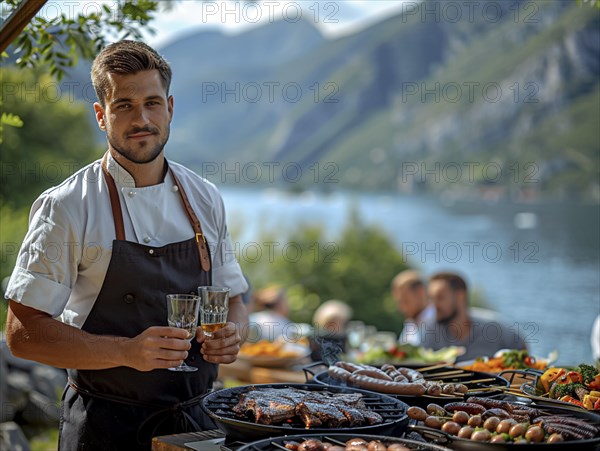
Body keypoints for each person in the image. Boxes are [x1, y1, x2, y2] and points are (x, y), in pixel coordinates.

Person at [4, 40, 249, 450]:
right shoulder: (66, 207)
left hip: (196, 428)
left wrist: (233, 334)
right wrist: (128, 352)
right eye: (124, 106)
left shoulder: (205, 197)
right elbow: (23, 333)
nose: (142, 118)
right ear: (101, 115)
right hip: (104, 428)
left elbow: (236, 299)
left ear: (170, 107)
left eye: (152, 103)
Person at [421, 272, 526, 362]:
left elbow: (522, 349)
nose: (433, 305)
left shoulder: (493, 328)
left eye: (440, 297)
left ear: (460, 296)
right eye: (431, 298)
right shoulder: (430, 332)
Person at [391, 269, 435, 346]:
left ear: (420, 292)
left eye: (405, 301)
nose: (401, 308)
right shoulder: (411, 323)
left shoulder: (439, 321)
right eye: (399, 302)